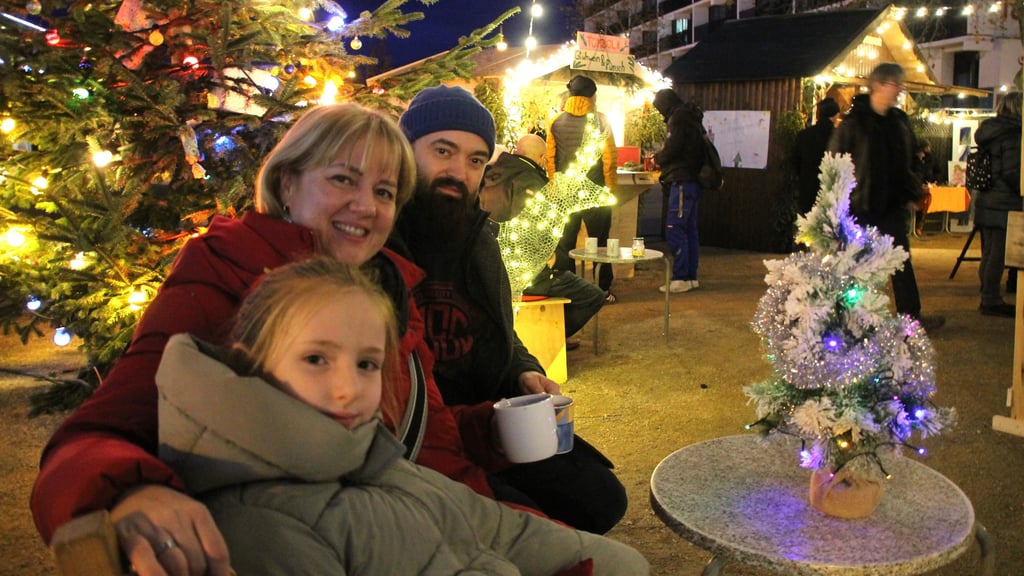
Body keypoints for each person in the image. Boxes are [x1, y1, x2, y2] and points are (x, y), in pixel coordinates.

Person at [30, 103, 536, 576]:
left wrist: (491, 433)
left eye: (384, 192)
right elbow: (91, 437)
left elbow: (426, 442)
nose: (366, 206)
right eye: (343, 179)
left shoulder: (389, 288)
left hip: (414, 524)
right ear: (287, 183)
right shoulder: (228, 271)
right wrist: (131, 492)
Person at [156, 256, 649, 575]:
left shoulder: (376, 460)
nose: (347, 388)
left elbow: (495, 528)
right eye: (315, 359)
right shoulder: (261, 525)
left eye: (367, 363)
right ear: (251, 362)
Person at [392, 84, 628, 534]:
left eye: (475, 160)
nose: (458, 172)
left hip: (496, 417)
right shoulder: (384, 239)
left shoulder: (479, 235)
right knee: (526, 523)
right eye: (443, 151)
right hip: (425, 435)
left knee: (602, 500)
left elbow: (500, 327)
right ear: (406, 152)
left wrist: (524, 369)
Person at [828, 63, 945, 331]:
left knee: (901, 262)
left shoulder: (899, 121)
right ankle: (849, 320)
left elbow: (909, 160)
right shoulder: (854, 123)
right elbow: (834, 163)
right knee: (855, 265)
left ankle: (911, 317)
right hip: (861, 206)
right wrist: (839, 203)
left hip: (892, 206)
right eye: (895, 84)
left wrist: (913, 191)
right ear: (878, 85)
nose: (899, 90)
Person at [481, 133, 606, 349]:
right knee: (592, 295)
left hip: (489, 270)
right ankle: (551, 336)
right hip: (526, 276)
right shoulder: (535, 183)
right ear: (541, 159)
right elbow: (538, 235)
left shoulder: (489, 176)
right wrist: (551, 256)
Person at [547, 75, 619, 303]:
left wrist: (555, 187)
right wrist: (610, 189)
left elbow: (551, 159)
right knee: (600, 243)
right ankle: (603, 290)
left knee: (565, 245)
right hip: (595, 192)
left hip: (565, 194)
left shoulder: (555, 121)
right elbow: (610, 160)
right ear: (593, 96)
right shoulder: (601, 120)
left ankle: (568, 291)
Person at [973, 91, 1022, 317]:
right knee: (998, 254)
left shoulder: (989, 132)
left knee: (989, 252)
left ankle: (987, 293)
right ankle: (991, 299)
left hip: (986, 199)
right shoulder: (1012, 135)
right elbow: (1013, 172)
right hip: (1004, 202)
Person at [651, 88, 705, 293]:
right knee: (689, 229)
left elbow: (674, 147)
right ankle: (691, 276)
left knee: (675, 228)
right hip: (692, 180)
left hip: (682, 180)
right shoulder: (691, 116)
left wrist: (657, 159)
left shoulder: (679, 117)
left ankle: (681, 277)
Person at [794, 97, 841, 215]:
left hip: (806, 191)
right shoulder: (839, 138)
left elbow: (795, 163)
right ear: (835, 115)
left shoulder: (804, 135)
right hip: (829, 194)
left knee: (806, 229)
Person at [911, 141, 939, 236]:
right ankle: (915, 226)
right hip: (917, 187)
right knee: (919, 206)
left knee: (923, 206)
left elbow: (937, 171)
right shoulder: (915, 161)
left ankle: (919, 226)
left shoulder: (931, 159)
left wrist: (934, 180)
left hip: (926, 186)